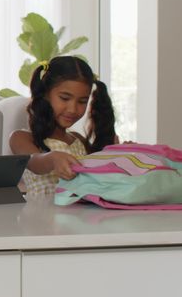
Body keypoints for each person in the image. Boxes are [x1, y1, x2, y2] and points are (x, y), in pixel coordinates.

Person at [9, 55, 118, 196]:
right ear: (45, 94)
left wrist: (119, 153)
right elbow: (34, 162)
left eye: (82, 101)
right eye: (65, 98)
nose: (73, 109)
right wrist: (53, 158)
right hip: (40, 216)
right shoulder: (22, 138)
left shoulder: (79, 140)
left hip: (81, 216)